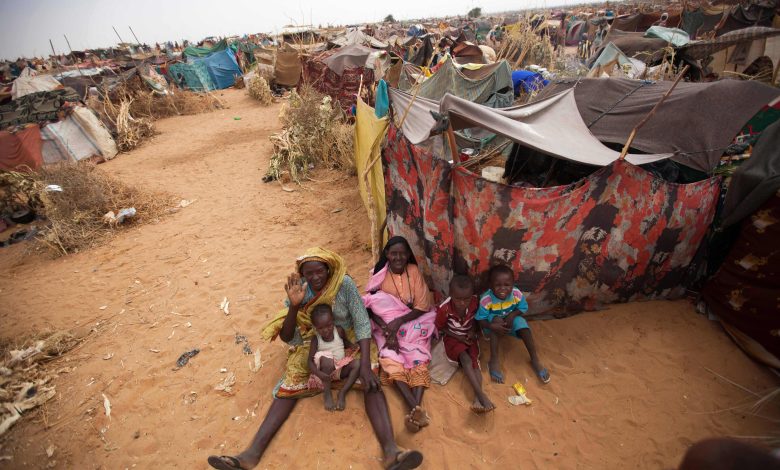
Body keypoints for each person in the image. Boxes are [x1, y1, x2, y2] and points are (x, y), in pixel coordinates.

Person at [208, 248, 422, 470]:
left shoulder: (344, 284)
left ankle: (390, 451)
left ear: (328, 270)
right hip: (314, 344)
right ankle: (249, 456)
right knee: (290, 384)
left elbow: (361, 322)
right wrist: (293, 306)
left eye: (319, 271)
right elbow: (289, 337)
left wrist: (366, 364)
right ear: (303, 275)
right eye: (309, 274)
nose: (315, 278)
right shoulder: (301, 291)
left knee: (371, 380)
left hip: (346, 339)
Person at [363, 236, 436, 433]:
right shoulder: (379, 273)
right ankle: (415, 409)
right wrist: (388, 331)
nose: (398, 257)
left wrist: (398, 322)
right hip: (385, 327)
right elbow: (369, 306)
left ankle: (414, 408)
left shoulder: (413, 271)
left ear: (408, 255)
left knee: (418, 357)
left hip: (412, 321)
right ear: (387, 254)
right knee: (390, 358)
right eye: (394, 253)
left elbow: (422, 306)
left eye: (402, 253)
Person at [477, 264, 550, 385]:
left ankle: (535, 359)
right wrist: (491, 326)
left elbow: (523, 307)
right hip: (493, 325)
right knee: (497, 321)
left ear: (512, 284)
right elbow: (481, 319)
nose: (502, 289)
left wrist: (513, 314)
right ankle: (494, 360)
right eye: (498, 285)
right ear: (491, 285)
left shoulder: (516, 293)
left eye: (507, 285)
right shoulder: (486, 299)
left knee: (522, 324)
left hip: (510, 320)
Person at [435, 274, 495, 413]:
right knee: (465, 358)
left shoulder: (475, 302)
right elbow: (441, 327)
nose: (462, 303)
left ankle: (476, 400)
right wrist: (458, 337)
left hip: (469, 336)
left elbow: (476, 320)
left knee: (475, 362)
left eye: (466, 299)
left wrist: (473, 331)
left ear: (472, 295)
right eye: (458, 299)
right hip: (453, 338)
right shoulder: (444, 309)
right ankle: (482, 396)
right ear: (451, 294)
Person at [307, 304, 361, 411]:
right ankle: (327, 393)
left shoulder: (339, 331)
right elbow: (309, 361)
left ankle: (343, 392)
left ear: (333, 321)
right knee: (327, 361)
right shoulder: (316, 339)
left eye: (329, 325)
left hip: (339, 370)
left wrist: (352, 345)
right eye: (321, 328)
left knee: (357, 364)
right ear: (315, 328)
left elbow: (345, 342)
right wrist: (320, 374)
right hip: (324, 373)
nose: (326, 330)